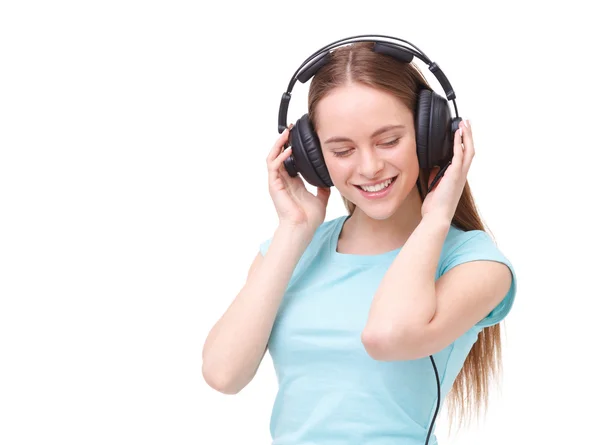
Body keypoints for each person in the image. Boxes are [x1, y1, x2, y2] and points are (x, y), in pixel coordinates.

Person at [202, 38, 517, 445]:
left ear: (431, 135)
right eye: (342, 149)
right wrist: (295, 228)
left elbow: (387, 336)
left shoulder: (476, 264)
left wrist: (437, 216)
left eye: (388, 141)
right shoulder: (288, 251)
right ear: (310, 157)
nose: (369, 167)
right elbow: (223, 374)